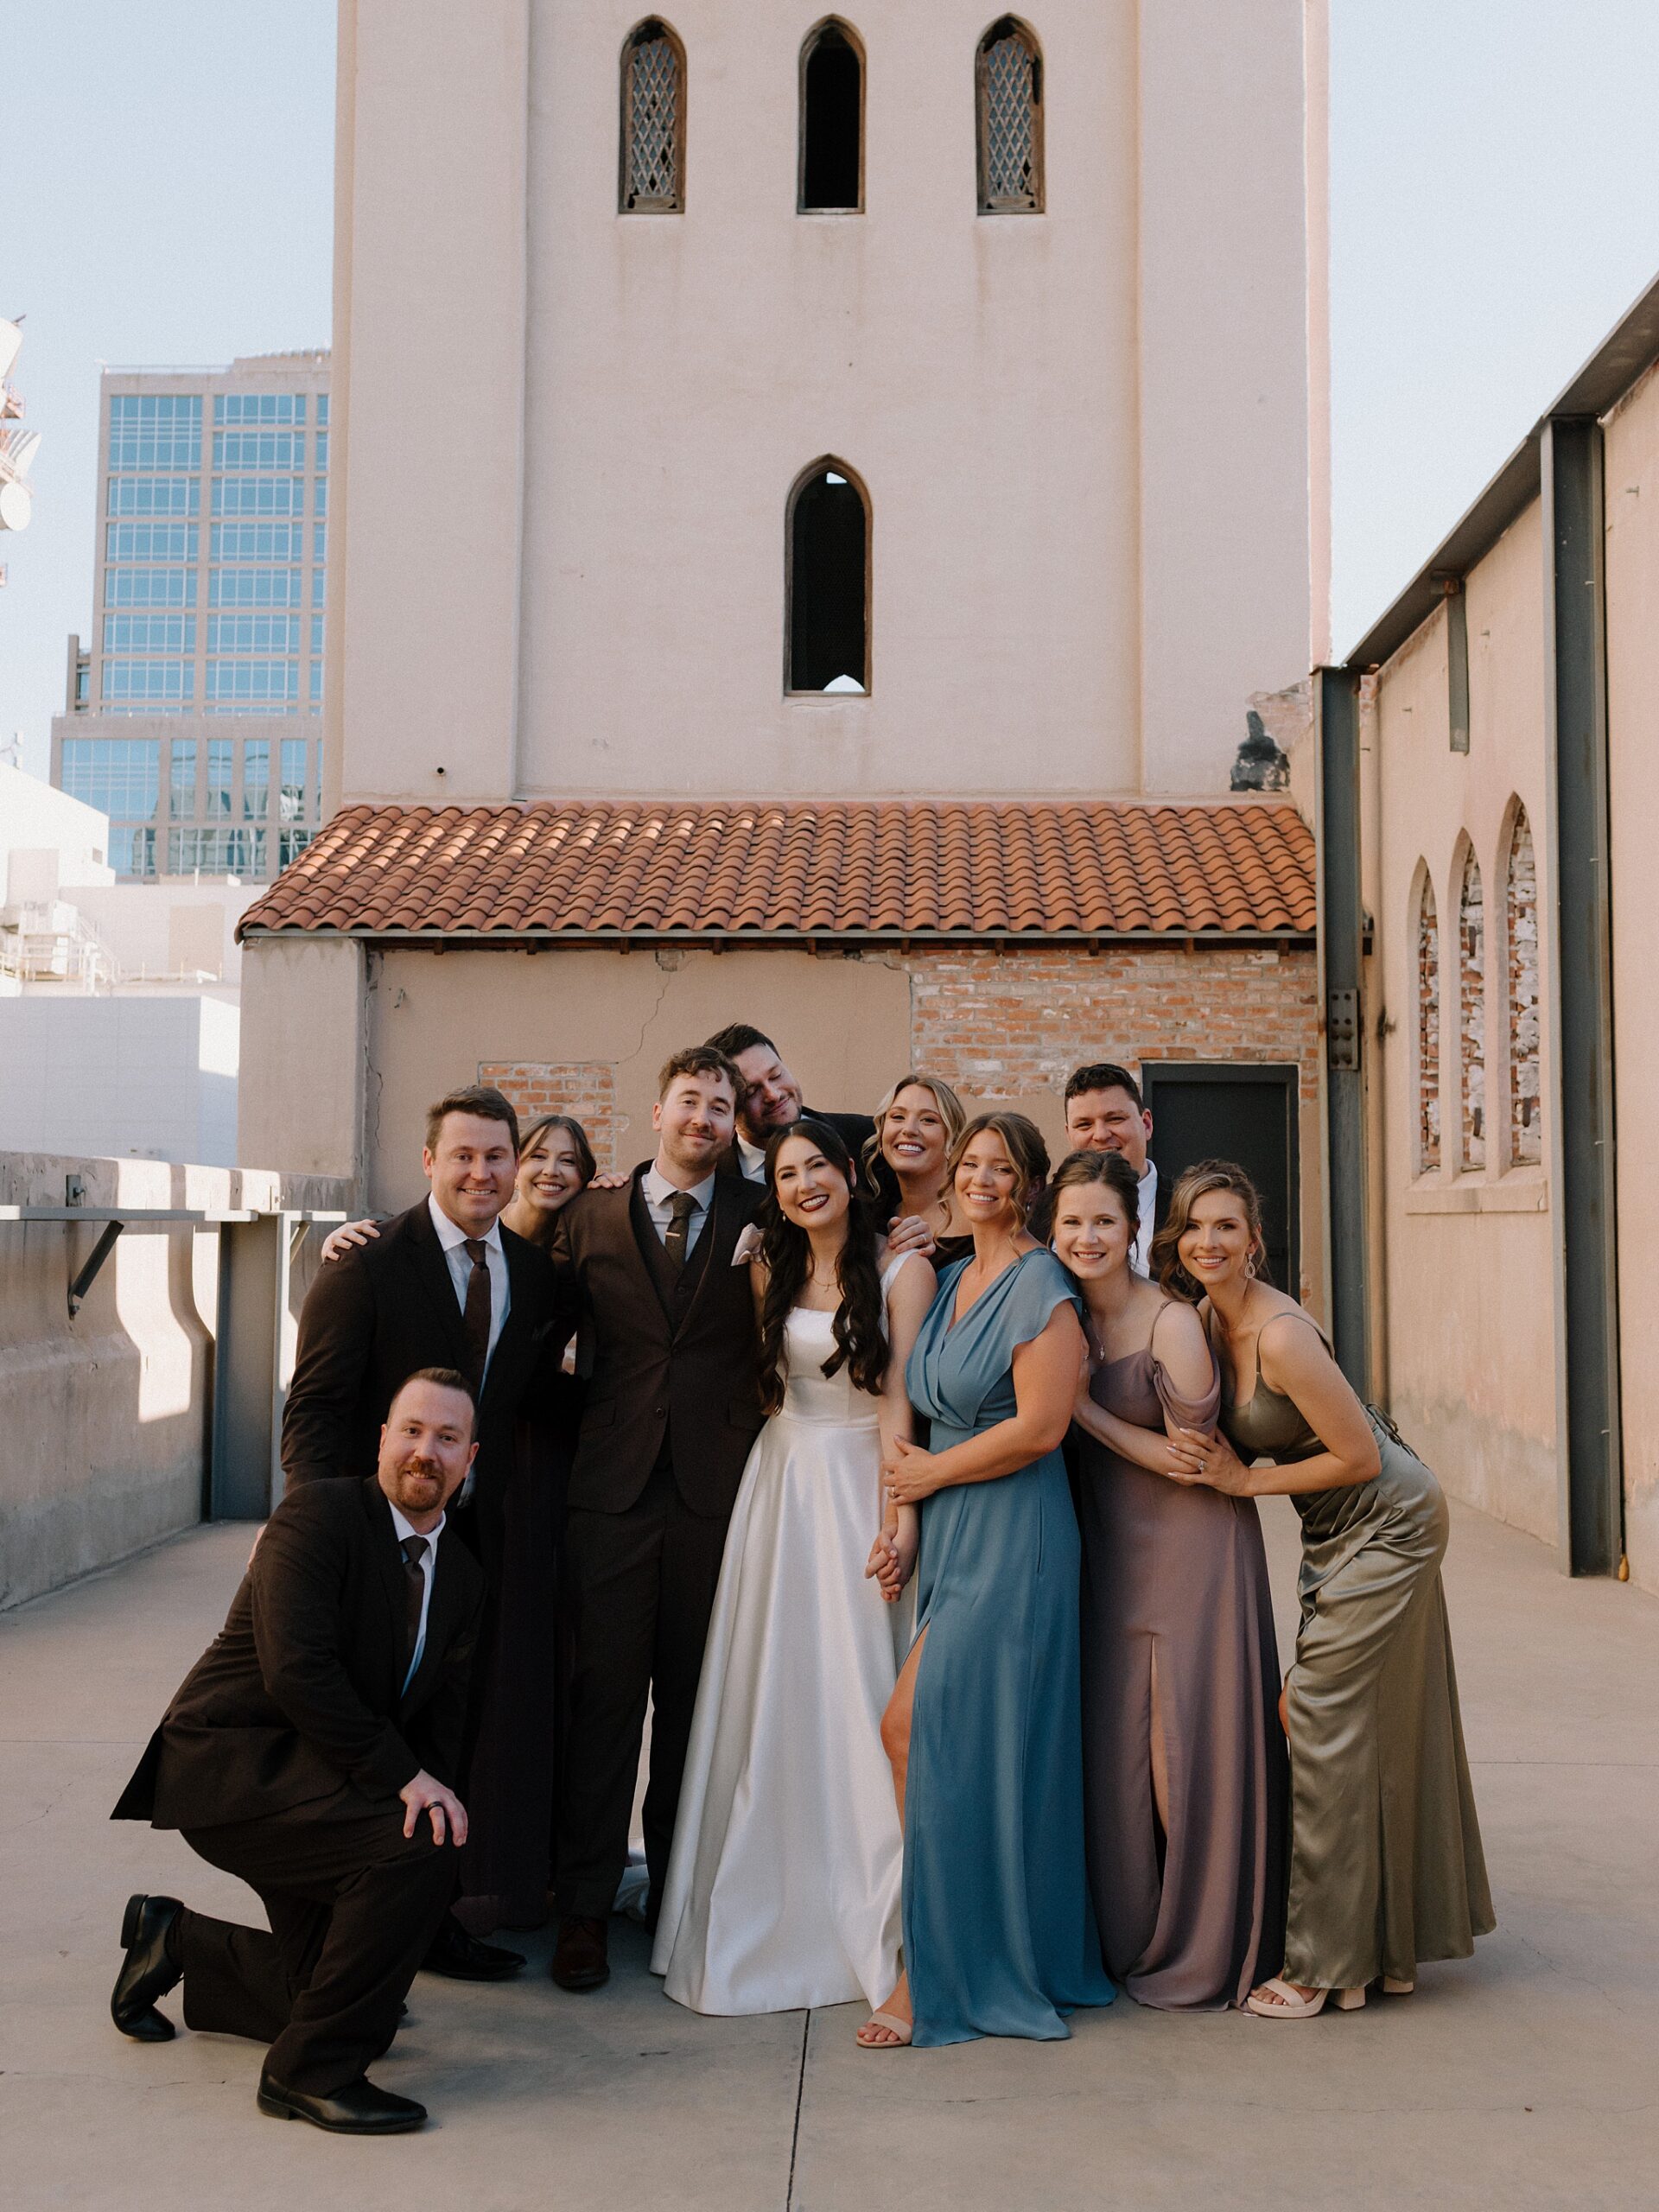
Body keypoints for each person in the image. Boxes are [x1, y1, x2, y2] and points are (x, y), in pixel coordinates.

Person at [109, 1370, 487, 2135]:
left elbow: (440, 1726)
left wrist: (437, 1796)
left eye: (447, 1438)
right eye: (412, 1430)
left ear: (469, 1458)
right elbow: (297, 1671)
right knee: (411, 1851)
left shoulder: (464, 1578)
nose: (426, 1451)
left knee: (335, 1993)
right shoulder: (317, 1517)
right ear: (381, 1440)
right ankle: (307, 2075)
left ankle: (172, 1938)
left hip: (325, 1777)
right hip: (233, 1769)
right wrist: (405, 1785)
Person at [1159, 1160, 1495, 2017]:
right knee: (1363, 1725)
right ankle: (1382, 1952)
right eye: (1194, 1225)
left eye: (1226, 1226)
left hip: (1391, 1522)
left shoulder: (1279, 1334)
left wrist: (1242, 1482)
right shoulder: (1203, 1317)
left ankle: (1318, 1963)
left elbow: (1360, 1457)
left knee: (1311, 1713)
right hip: (1332, 1530)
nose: (1208, 1241)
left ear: (1254, 1240)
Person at [280, 1083, 563, 1983]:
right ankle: (335, 1932)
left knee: (451, 1730)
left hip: (474, 1545)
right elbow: (314, 1409)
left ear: (515, 1165)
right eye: (464, 1155)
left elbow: (534, 1394)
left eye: (497, 1155)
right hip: (374, 1540)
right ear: (431, 1162)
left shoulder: (535, 1273)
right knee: (366, 1728)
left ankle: (428, 1918)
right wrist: (315, 1529)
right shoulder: (364, 1264)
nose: (482, 1172)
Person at [652, 1120, 935, 2015]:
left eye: (819, 1166)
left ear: (851, 1172)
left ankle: (874, 1909)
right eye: (786, 1173)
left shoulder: (903, 1268)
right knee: (773, 1684)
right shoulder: (765, 1262)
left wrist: (900, 1521)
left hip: (859, 1482)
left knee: (857, 1684)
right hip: (781, 1484)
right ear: (772, 1189)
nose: (806, 1183)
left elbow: (899, 1405)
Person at [870, 1114, 1116, 2048]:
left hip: (1019, 1534)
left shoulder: (1042, 1284)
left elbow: (1043, 1426)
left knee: (916, 1729)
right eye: (970, 1163)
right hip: (955, 1534)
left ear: (1029, 1184)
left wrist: (931, 1474)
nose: (980, 1178)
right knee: (958, 1746)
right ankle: (976, 1941)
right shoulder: (948, 1279)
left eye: (1000, 1168)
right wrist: (909, 1522)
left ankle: (931, 1966)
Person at [546, 1046, 766, 1995]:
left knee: (693, 1708)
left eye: (720, 1106)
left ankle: (677, 1898)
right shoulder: (591, 1214)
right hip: (611, 1494)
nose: (703, 1118)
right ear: (657, 1111)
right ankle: (583, 1910)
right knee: (602, 1706)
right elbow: (519, 1292)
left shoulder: (765, 1210)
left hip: (720, 1495)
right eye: (689, 1101)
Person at [1052, 1149, 1287, 2009]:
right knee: (1114, 1747)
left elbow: (1191, 1458)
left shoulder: (1172, 1321)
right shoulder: (1062, 1311)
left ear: (1131, 1230)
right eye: (1071, 1221)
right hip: (1108, 1548)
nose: (1087, 1236)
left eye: (1103, 1221)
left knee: (1181, 1750)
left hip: (1192, 1549)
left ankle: (1206, 1944)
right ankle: (1130, 1934)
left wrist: (1083, 1407)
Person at [702, 1022, 875, 1180]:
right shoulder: (710, 1175)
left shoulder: (869, 1138)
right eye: (752, 1091)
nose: (773, 1095)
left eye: (776, 1075)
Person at [1048, 1062, 1166, 1271]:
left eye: (1115, 1119)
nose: (1101, 1135)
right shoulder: (1040, 1208)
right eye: (1084, 1124)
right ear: (1068, 1134)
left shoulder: (1190, 1209)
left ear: (1147, 1124)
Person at [861, 1071, 974, 1263]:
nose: (909, 1129)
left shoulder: (979, 1218)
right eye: (898, 1117)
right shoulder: (873, 1218)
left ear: (952, 1139)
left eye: (928, 1120)